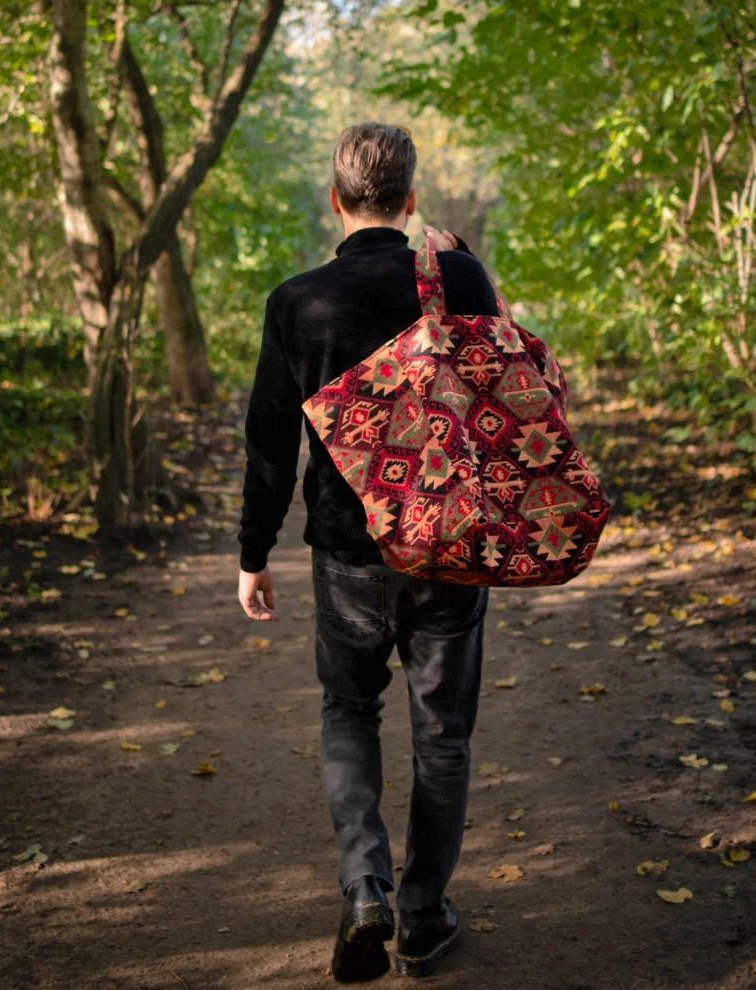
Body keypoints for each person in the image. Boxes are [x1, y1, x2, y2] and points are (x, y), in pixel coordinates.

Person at [237, 121, 499, 982]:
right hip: (448, 543)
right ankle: (424, 919)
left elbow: (271, 442)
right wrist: (465, 270)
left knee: (350, 710)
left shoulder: (297, 301)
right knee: (443, 733)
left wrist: (253, 553)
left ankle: (365, 887)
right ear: (412, 199)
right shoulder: (456, 275)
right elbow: (499, 389)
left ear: (335, 199)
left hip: (349, 552)